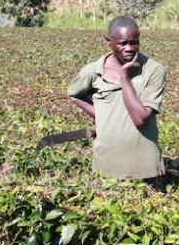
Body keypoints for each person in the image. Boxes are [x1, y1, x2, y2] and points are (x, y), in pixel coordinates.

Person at [67, 15, 166, 184]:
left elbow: (140, 118)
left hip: (146, 167)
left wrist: (125, 77)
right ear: (108, 41)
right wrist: (102, 115)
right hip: (107, 166)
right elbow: (73, 93)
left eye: (134, 42)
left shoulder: (153, 70)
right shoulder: (93, 70)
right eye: (123, 43)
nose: (129, 48)